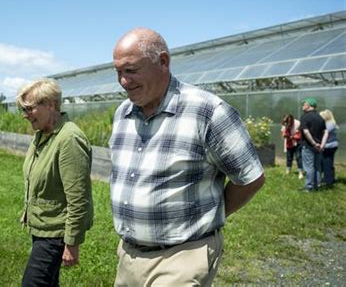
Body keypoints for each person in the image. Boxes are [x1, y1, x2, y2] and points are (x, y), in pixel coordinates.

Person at [109, 27, 265, 286]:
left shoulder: (208, 112)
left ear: (163, 62)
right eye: (118, 72)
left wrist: (214, 212)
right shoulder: (122, 114)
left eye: (131, 70)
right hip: (129, 255)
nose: (124, 81)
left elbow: (251, 178)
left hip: (183, 256)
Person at [17, 78, 93, 287]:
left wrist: (72, 242)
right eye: (22, 109)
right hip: (43, 227)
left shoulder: (69, 138)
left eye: (29, 108)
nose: (25, 115)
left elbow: (78, 197)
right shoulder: (42, 135)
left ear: (50, 104)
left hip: (56, 232)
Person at [299, 97, 328, 192]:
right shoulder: (320, 117)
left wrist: (314, 144)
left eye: (304, 104)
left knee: (309, 167)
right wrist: (322, 145)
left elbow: (306, 132)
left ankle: (309, 187)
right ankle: (317, 185)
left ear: (309, 105)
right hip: (319, 147)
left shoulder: (305, 117)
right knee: (317, 166)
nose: (303, 106)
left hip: (308, 146)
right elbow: (326, 132)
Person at [320, 109, 339, 187]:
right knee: (328, 162)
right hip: (331, 145)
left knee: (327, 163)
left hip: (329, 146)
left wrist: (322, 145)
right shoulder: (331, 123)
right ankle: (329, 178)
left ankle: (328, 181)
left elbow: (325, 133)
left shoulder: (330, 124)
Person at [281, 114, 303, 179]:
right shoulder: (285, 124)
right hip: (289, 143)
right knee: (289, 157)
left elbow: (299, 134)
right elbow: (283, 133)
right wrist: (285, 135)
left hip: (297, 142)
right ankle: (288, 171)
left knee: (298, 157)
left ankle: (300, 172)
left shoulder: (298, 123)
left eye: (289, 123)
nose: (288, 124)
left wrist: (292, 137)